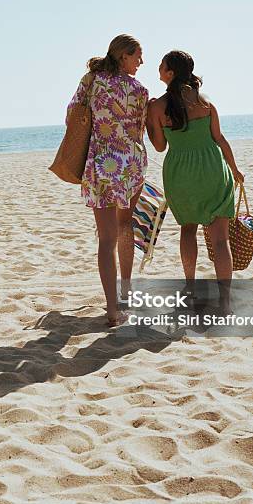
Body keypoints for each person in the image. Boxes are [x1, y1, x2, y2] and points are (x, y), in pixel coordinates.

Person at [146, 50, 244, 310]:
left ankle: (190, 288)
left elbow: (159, 146)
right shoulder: (206, 101)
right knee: (220, 239)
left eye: (161, 65)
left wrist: (148, 119)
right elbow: (219, 139)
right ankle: (225, 299)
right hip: (212, 169)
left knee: (187, 230)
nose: (158, 67)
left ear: (171, 72)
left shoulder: (157, 106)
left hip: (181, 174)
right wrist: (234, 169)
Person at [65, 34, 149, 327]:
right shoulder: (139, 90)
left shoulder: (91, 80)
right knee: (126, 224)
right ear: (123, 56)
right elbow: (139, 132)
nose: (141, 61)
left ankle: (112, 310)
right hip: (131, 166)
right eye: (138, 56)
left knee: (106, 238)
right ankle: (126, 290)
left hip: (100, 165)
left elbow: (71, 116)